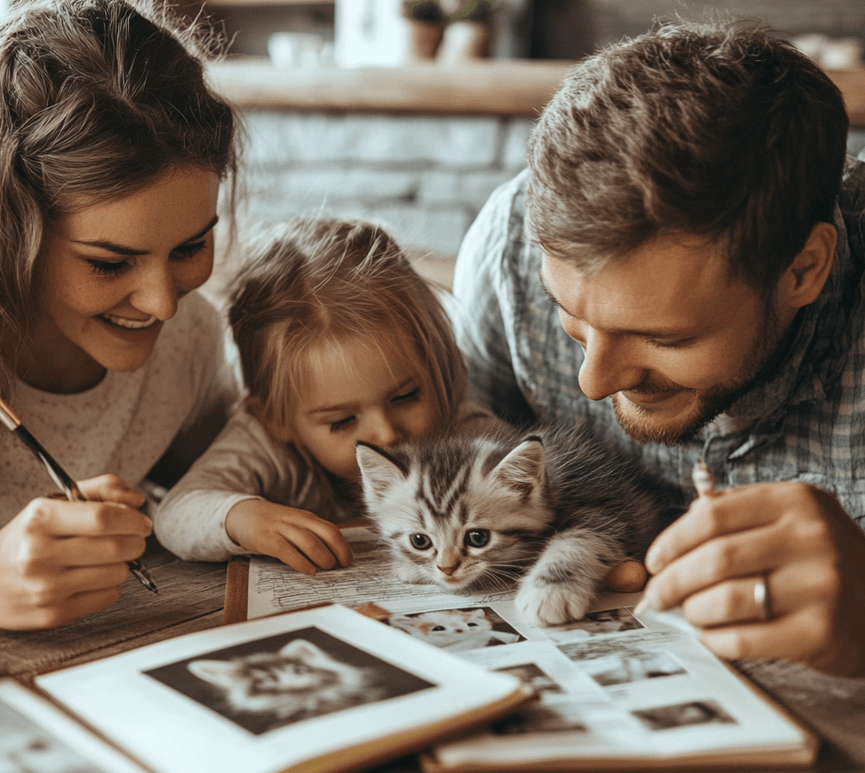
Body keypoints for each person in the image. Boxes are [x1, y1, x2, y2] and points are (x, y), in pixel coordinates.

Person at [451, 19, 865, 676]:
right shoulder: (507, 247)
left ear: (801, 270)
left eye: (661, 337)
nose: (592, 382)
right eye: (570, 316)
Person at [0, 0, 239, 630]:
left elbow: (214, 475)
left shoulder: (191, 340)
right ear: (8, 234)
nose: (163, 303)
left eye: (191, 248)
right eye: (110, 264)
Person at [154, 217, 495, 572]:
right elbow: (175, 514)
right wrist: (243, 519)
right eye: (342, 420)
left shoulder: (464, 436)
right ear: (275, 419)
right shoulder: (266, 445)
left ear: (443, 368)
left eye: (406, 396)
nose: (385, 433)